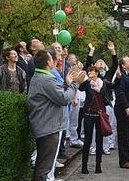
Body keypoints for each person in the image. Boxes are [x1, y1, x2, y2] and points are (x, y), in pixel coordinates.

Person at [28, 49, 85, 181]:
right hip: (48, 127)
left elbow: (57, 95)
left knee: (43, 165)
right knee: (45, 167)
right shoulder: (46, 79)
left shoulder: (42, 77)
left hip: (46, 126)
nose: (56, 60)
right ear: (48, 62)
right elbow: (64, 99)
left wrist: (68, 83)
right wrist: (75, 84)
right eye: (53, 58)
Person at [79, 66, 114, 174]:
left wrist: (118, 76)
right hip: (89, 114)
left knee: (99, 140)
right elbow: (81, 88)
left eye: (93, 72)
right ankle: (84, 166)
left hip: (100, 115)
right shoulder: (87, 84)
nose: (90, 73)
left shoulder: (103, 83)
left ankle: (98, 165)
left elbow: (114, 86)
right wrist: (88, 80)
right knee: (88, 141)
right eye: (89, 72)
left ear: (97, 73)